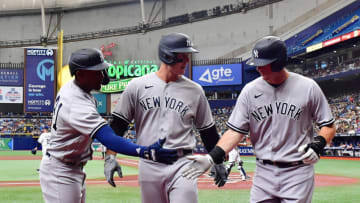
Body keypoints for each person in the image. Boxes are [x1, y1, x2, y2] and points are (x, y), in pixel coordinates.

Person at [182, 36, 336, 203]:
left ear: (278, 63)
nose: (258, 68)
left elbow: (328, 125)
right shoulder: (250, 91)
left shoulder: (308, 87)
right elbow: (235, 131)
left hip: (297, 172)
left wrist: (318, 144)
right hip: (264, 172)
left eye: (263, 64)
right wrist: (212, 157)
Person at [39, 48, 179, 203]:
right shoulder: (75, 102)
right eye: (97, 71)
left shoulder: (75, 89)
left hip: (70, 167)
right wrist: (146, 152)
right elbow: (109, 138)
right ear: (80, 74)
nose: (102, 75)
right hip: (61, 171)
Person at [106, 33, 227, 203]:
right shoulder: (137, 86)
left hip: (183, 163)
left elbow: (208, 131)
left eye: (188, 56)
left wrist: (218, 161)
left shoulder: (195, 90)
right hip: (149, 164)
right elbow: (118, 125)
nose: (186, 61)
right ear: (166, 55)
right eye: (181, 56)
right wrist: (110, 156)